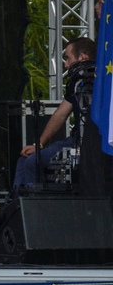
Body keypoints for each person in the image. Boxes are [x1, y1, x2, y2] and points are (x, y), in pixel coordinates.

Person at [14, 36, 95, 188]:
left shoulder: (102, 82)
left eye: (68, 58)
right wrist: (39, 144)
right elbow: (60, 115)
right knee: (23, 160)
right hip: (74, 140)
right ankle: (15, 201)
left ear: (83, 58)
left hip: (90, 144)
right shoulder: (76, 84)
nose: (66, 65)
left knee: (32, 162)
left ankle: (34, 201)